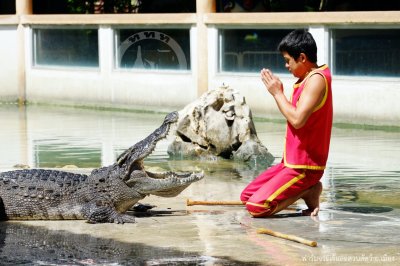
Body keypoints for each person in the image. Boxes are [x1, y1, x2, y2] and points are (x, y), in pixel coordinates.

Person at [240, 29, 333, 217]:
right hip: (290, 163)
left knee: (257, 207)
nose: (286, 65)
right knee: (247, 196)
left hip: (305, 168)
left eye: (288, 60)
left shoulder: (317, 80)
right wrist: (279, 92)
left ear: (302, 57)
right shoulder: (306, 78)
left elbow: (297, 120)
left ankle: (308, 190)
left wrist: (277, 93)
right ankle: (306, 189)